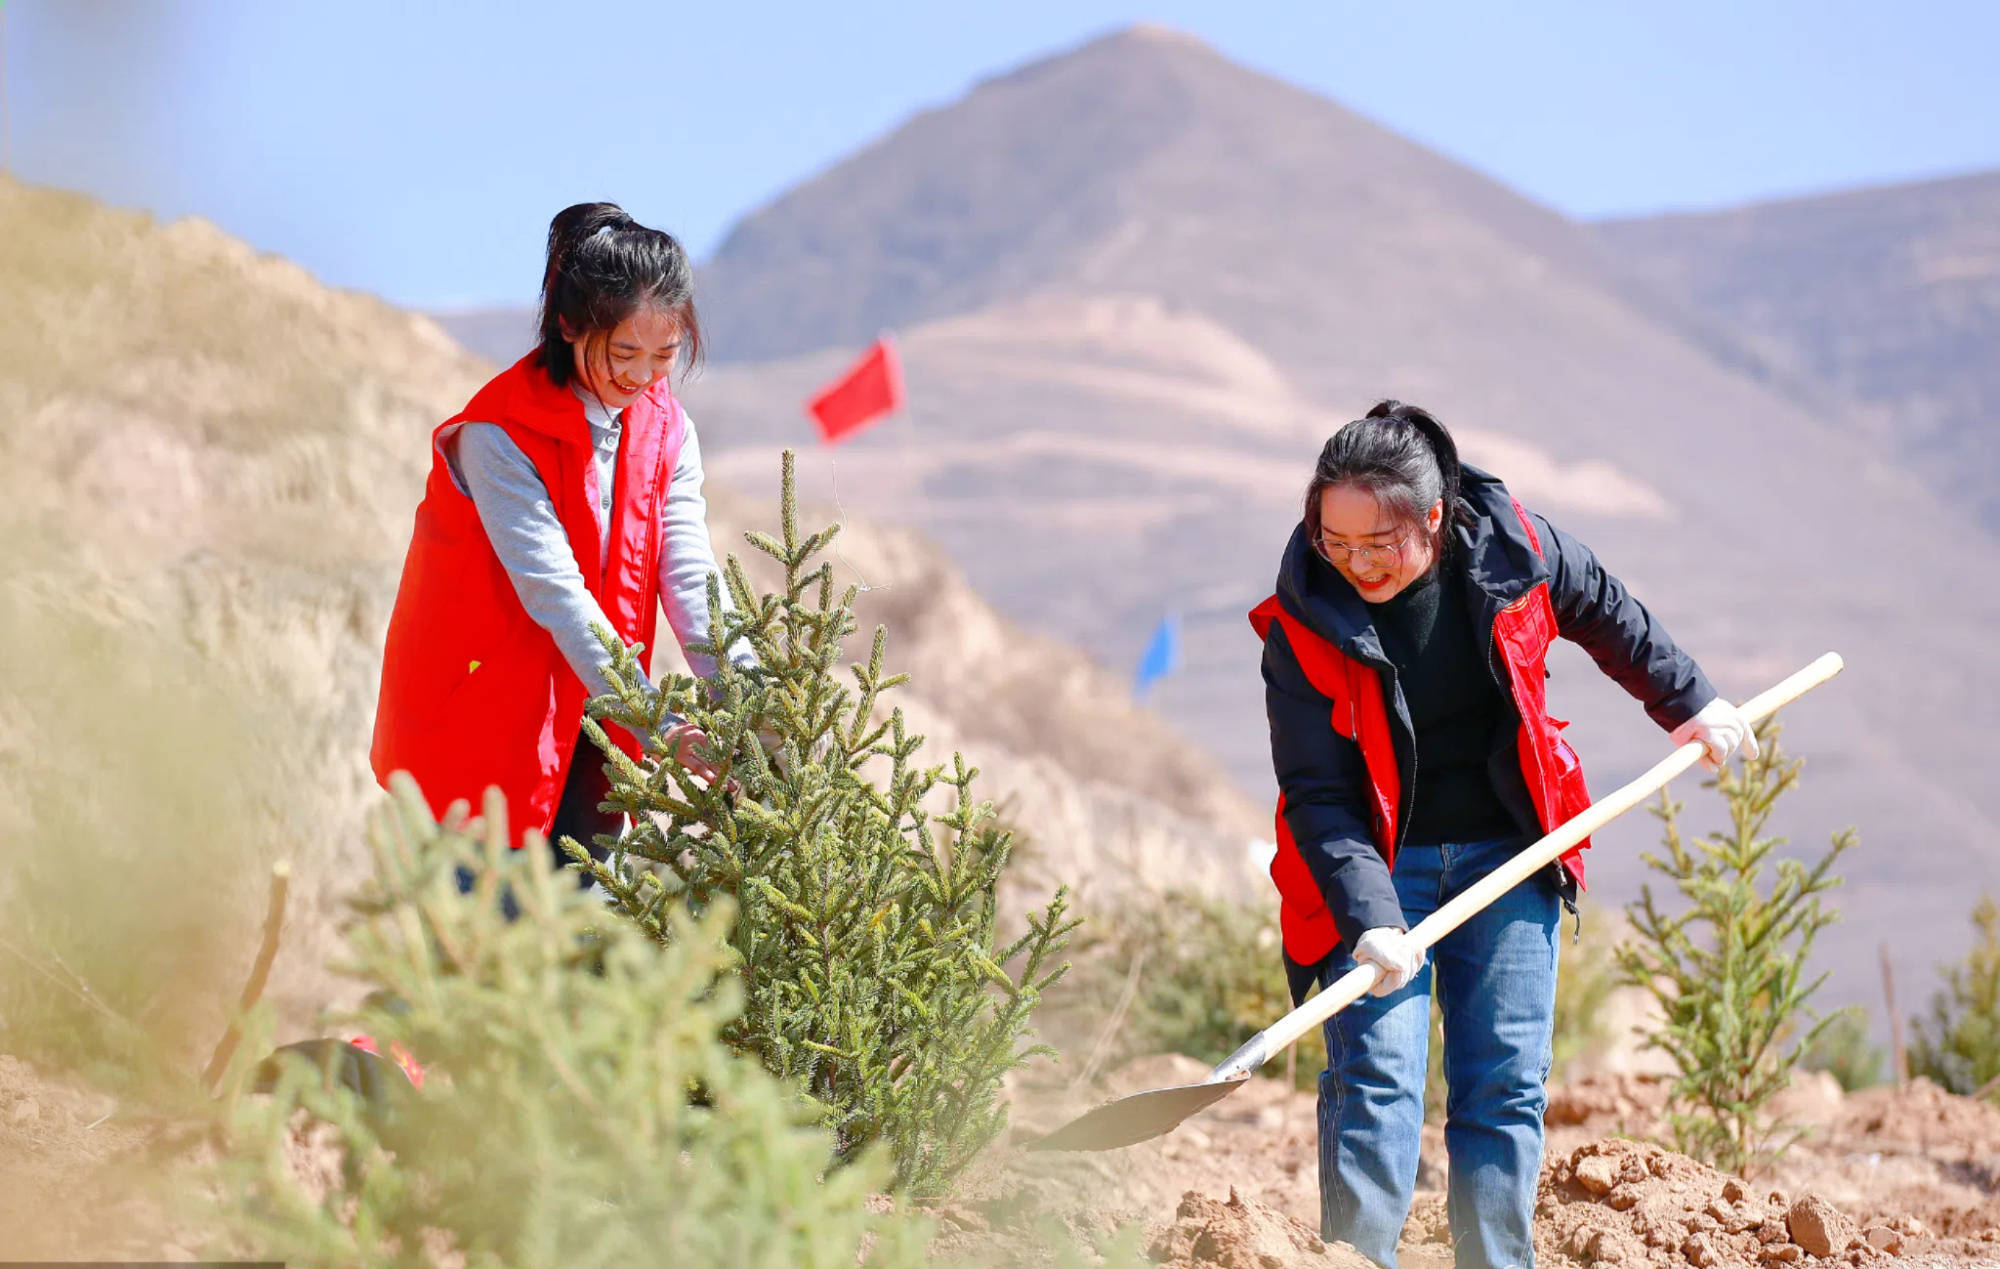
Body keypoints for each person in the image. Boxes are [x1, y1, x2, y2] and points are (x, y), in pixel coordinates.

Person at [1252, 401, 1755, 1269]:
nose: (1357, 563)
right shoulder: (1303, 622)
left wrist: (1690, 703)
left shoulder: (1515, 548)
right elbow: (1318, 794)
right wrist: (1372, 918)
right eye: (1337, 543)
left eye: (1380, 542)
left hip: (1511, 850)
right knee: (1378, 1081)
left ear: (1435, 517)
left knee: (1502, 1086)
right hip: (1378, 869)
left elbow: (1605, 609)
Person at [370, 201, 749, 896]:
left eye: (665, 356)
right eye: (624, 353)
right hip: (480, 739)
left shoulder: (668, 431)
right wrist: (662, 724)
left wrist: (747, 698)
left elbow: (689, 571)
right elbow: (559, 597)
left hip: (597, 730)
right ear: (572, 326)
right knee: (482, 971)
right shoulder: (498, 435)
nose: (642, 377)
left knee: (582, 963)